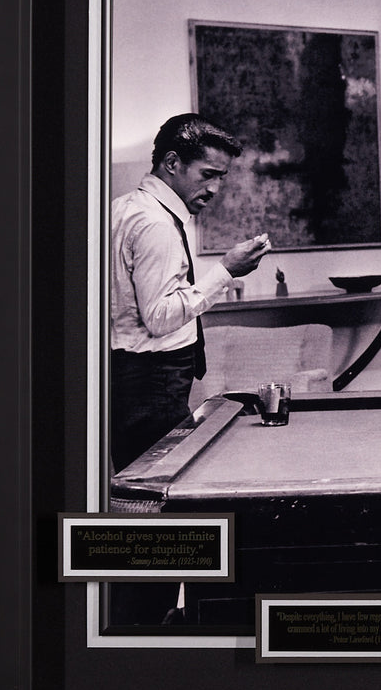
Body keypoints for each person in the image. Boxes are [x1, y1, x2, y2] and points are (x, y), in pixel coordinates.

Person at [110, 114, 271, 473]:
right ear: (172, 163)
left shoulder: (123, 209)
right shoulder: (156, 225)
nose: (214, 189)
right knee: (162, 487)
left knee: (140, 483)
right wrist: (226, 270)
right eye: (207, 174)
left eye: (220, 178)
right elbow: (160, 317)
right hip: (153, 383)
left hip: (129, 376)